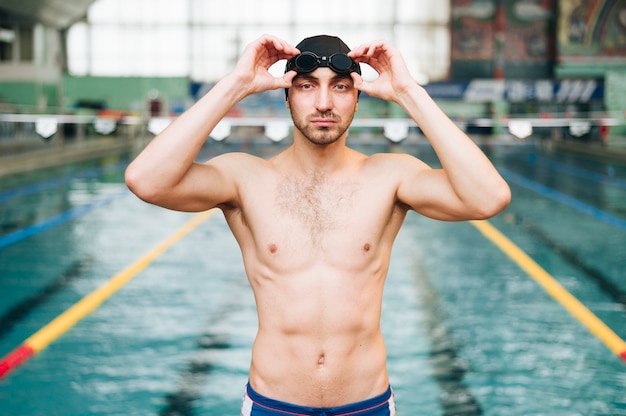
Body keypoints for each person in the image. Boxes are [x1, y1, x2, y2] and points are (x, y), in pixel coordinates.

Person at [125, 34, 511, 416]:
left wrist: (410, 92)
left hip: (367, 405)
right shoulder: (245, 178)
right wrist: (235, 85)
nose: (324, 103)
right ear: (287, 96)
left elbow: (488, 197)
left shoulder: (390, 176)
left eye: (340, 88)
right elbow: (146, 180)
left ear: (358, 99)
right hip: (273, 404)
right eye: (307, 87)